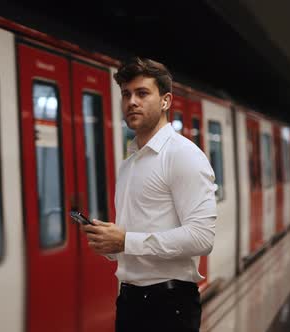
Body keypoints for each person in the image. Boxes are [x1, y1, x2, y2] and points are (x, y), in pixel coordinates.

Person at [82, 57, 217, 332]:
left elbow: (202, 237)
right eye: (126, 94)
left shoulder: (183, 155)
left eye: (142, 93)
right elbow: (133, 236)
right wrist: (110, 243)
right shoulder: (130, 162)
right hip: (130, 300)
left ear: (165, 101)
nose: (132, 101)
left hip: (169, 304)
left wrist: (126, 241)